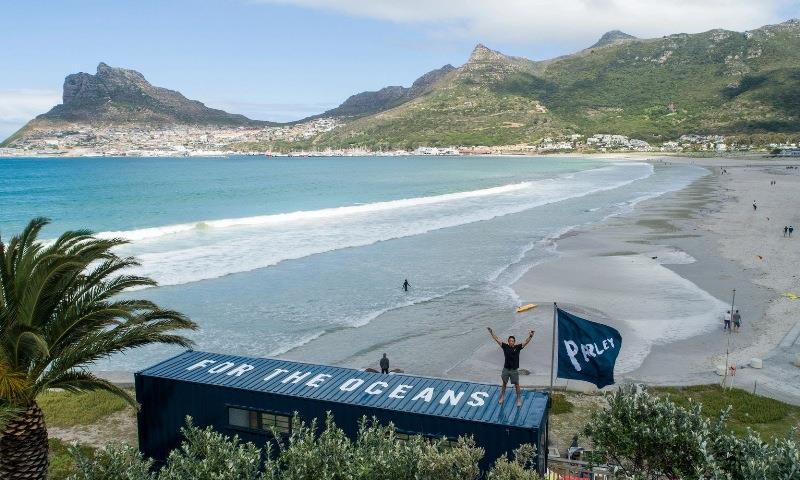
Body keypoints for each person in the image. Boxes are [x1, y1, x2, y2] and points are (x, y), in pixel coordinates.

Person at [487, 327, 535, 407]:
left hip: (514, 370)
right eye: (510, 341)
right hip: (506, 369)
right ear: (508, 342)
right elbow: (497, 339)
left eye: (512, 341)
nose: (511, 342)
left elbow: (526, 342)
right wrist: (491, 332)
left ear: (514, 342)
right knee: (504, 384)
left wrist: (530, 336)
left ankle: (519, 398)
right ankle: (502, 397)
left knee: (517, 385)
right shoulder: (505, 346)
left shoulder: (518, 347)